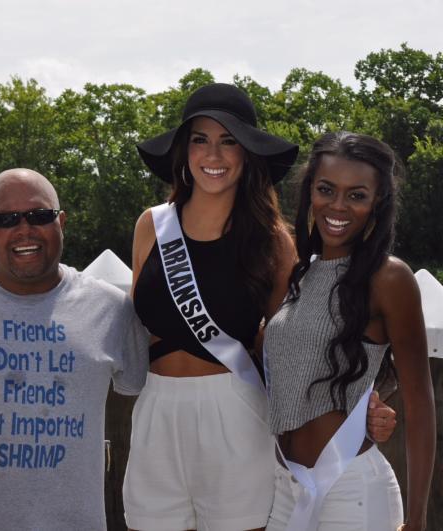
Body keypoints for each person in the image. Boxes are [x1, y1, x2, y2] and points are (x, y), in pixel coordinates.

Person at [124, 83, 397, 531]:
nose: (214, 153)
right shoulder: (152, 226)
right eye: (200, 139)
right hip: (156, 410)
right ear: (184, 152)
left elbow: (304, 336)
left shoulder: (271, 240)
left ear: (248, 152)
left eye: (228, 140)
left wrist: (363, 402)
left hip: (234, 412)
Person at [0, 168, 149, 530]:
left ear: (61, 222)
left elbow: (156, 395)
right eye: (5, 219)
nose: (24, 229)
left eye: (40, 216)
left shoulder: (112, 308)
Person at [264, 132, 435, 531]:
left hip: (352, 491)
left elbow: (421, 400)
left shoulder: (390, 277)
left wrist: (419, 518)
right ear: (310, 192)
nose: (337, 206)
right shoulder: (295, 274)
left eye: (356, 195)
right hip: (285, 487)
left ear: (378, 202)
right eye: (326, 189)